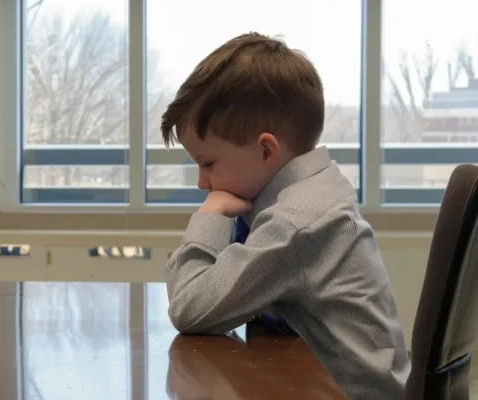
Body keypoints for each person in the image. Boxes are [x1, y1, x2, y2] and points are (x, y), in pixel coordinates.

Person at [162, 32, 411, 399]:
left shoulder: (297, 223)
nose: (203, 183)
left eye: (208, 163)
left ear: (266, 150)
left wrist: (210, 216)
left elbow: (189, 308)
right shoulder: (317, 192)